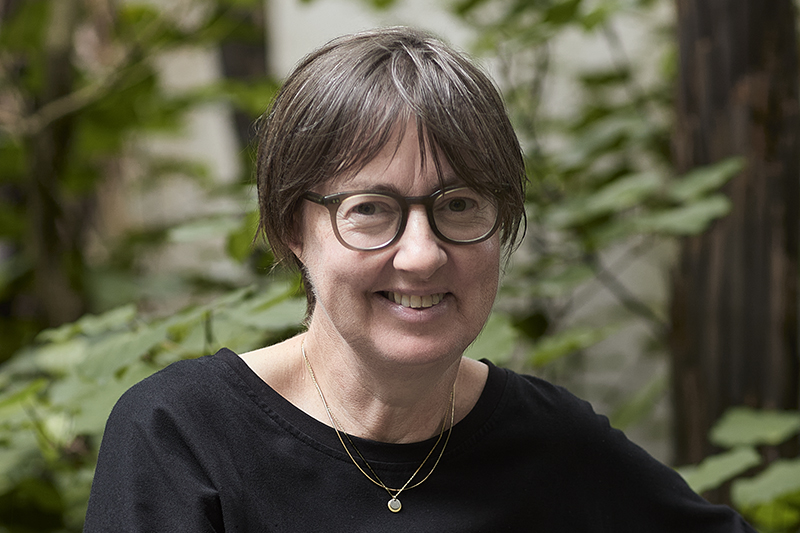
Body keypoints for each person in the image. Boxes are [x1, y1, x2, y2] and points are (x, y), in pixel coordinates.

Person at [84, 27, 756, 532]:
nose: (422, 255)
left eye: (459, 205)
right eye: (371, 210)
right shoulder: (180, 436)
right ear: (294, 226)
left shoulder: (553, 441)